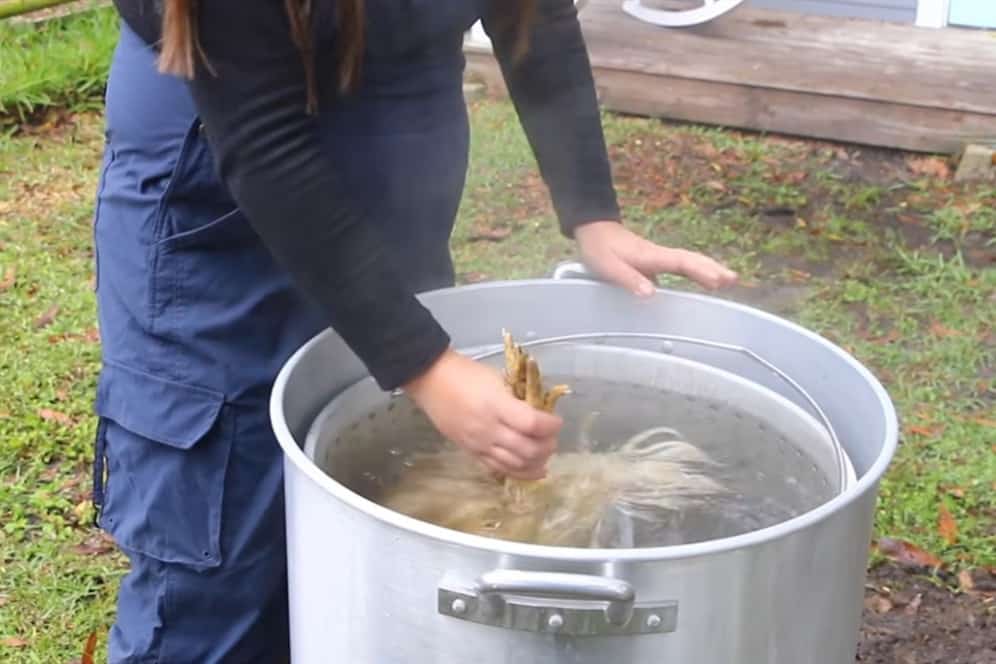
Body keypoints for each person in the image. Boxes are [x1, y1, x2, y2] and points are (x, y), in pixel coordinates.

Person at [90, 0, 738, 660]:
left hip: (398, 146)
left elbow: (534, 12)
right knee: (226, 568)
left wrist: (592, 211)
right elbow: (262, 139)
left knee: (377, 568)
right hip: (220, 163)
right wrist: (424, 363)